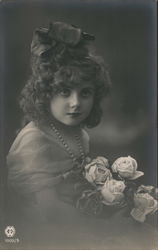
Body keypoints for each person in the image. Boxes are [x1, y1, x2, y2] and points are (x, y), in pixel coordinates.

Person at [6, 21, 157, 249]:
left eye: (85, 93)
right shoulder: (33, 141)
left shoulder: (78, 133)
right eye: (64, 91)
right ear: (45, 93)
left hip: (77, 219)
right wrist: (106, 229)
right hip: (41, 233)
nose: (75, 103)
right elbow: (52, 211)